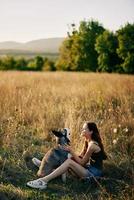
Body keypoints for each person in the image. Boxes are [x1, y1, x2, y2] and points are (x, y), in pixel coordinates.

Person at [27, 122, 107, 189]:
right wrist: (71, 155)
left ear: (91, 131)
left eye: (84, 129)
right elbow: (81, 156)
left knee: (69, 162)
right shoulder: (88, 141)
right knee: (69, 159)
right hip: (89, 168)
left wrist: (71, 151)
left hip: (93, 173)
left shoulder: (92, 145)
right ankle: (45, 165)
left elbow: (82, 163)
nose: (82, 130)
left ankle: (43, 181)